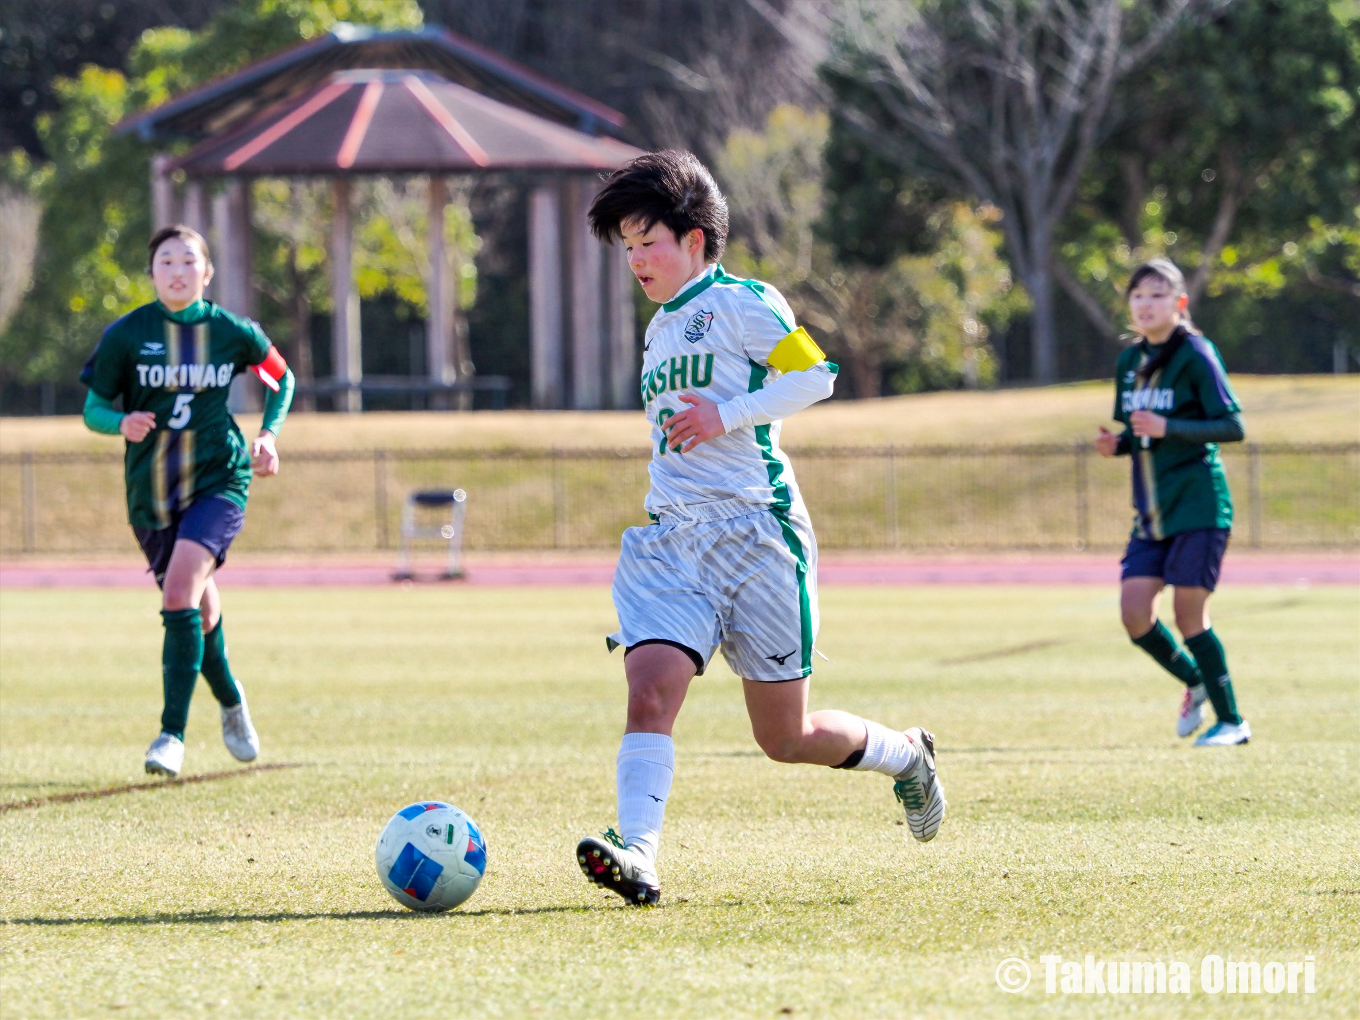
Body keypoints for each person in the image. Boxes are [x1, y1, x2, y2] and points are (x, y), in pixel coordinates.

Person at [574, 150, 946, 906]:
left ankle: (906, 756)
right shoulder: (658, 329)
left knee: (785, 738)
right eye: (628, 247)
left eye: (649, 242)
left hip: (755, 535)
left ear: (696, 241)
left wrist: (725, 414)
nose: (637, 260)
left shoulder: (745, 301)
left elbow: (815, 376)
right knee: (649, 693)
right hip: (672, 541)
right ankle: (637, 853)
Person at [80, 224, 295, 777]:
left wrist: (268, 435)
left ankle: (170, 735)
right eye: (166, 262)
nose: (177, 270)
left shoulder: (230, 331)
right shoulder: (128, 334)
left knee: (179, 593)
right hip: (151, 494)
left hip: (219, 480)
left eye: (187, 261)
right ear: (151, 273)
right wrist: (120, 421)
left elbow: (282, 377)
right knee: (198, 609)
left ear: (207, 272)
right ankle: (230, 700)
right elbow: (94, 408)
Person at [1095, 257, 1250, 746]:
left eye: (1158, 294)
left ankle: (1232, 722)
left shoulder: (1196, 354)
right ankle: (1195, 680)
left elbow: (1232, 425)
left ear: (1179, 303)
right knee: (1134, 613)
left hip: (1200, 506)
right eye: (1138, 295)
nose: (1146, 303)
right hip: (1151, 514)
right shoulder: (1129, 362)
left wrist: (1170, 427)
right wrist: (1118, 444)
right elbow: (1140, 435)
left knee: (1188, 615)